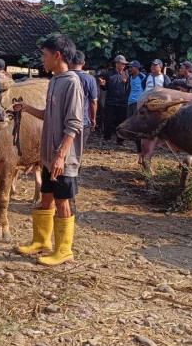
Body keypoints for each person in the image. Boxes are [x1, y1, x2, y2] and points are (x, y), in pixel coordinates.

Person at [14, 34, 83, 266]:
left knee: (63, 201)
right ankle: (42, 241)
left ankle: (64, 250)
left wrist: (61, 156)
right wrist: (26, 108)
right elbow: (49, 115)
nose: (42, 59)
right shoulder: (54, 81)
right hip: (48, 156)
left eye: (45, 55)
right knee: (46, 196)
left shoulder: (72, 82)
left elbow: (74, 124)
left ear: (57, 56)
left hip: (63, 157)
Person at [69, 51, 98, 147]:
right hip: (83, 120)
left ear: (70, 62)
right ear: (83, 63)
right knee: (78, 150)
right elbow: (93, 101)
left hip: (64, 120)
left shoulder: (63, 77)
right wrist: (93, 119)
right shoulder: (89, 79)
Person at [99, 55, 129, 144]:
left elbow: (128, 88)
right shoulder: (109, 74)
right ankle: (106, 138)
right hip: (110, 101)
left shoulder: (126, 74)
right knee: (108, 121)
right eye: (121, 64)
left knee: (121, 122)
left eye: (124, 64)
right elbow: (105, 88)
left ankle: (120, 140)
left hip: (122, 102)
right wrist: (102, 85)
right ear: (116, 64)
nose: (123, 65)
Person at [127, 60, 147, 154]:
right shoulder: (130, 77)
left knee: (137, 123)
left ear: (136, 68)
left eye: (132, 67)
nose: (130, 69)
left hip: (138, 102)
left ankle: (140, 146)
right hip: (130, 101)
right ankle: (135, 141)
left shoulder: (143, 77)